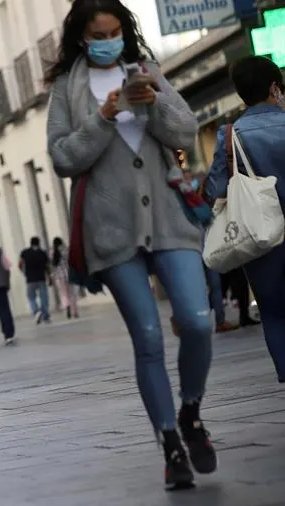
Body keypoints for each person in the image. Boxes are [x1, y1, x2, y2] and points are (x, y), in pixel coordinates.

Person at [46, 0, 216, 488]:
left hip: (168, 219)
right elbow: (61, 157)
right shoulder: (66, 88)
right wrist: (104, 116)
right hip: (110, 229)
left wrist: (151, 105)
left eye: (116, 30)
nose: (109, 39)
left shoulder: (147, 70)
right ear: (82, 36)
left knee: (198, 321)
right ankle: (170, 444)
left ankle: (190, 413)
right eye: (99, 33)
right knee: (147, 336)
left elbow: (185, 128)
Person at [203, 55, 285, 382]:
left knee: (274, 311)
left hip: (261, 236)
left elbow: (215, 187)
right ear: (274, 88)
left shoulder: (230, 135)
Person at [19, 237, 52, 323]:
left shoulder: (25, 252)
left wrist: (24, 272)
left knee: (31, 297)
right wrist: (49, 277)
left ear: (30, 243)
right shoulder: (42, 253)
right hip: (41, 278)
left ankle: (36, 311)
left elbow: (20, 264)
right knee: (43, 297)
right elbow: (48, 266)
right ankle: (45, 315)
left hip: (30, 279)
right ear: (38, 243)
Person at [51, 237, 79, 319]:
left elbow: (53, 265)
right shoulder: (66, 249)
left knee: (64, 294)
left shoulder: (53, 252)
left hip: (60, 276)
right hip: (69, 273)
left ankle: (67, 306)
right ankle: (75, 311)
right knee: (72, 293)